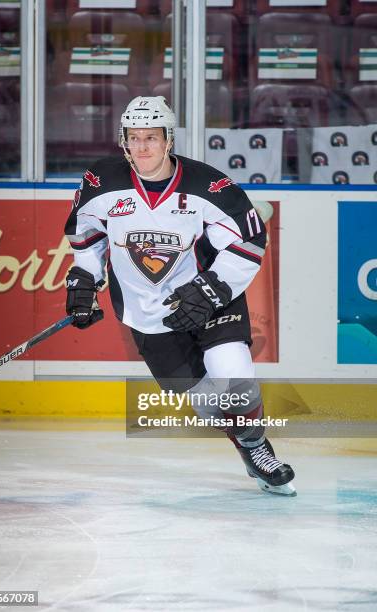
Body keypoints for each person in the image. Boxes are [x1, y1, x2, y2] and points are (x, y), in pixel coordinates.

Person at [64, 96, 296, 496]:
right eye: (133, 138)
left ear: (169, 139)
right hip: (147, 313)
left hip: (209, 300)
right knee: (207, 404)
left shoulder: (208, 185)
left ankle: (259, 449)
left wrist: (209, 290)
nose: (142, 148)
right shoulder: (101, 181)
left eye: (151, 138)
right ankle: (242, 441)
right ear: (124, 141)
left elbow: (249, 240)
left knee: (234, 376)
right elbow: (87, 236)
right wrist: (84, 279)